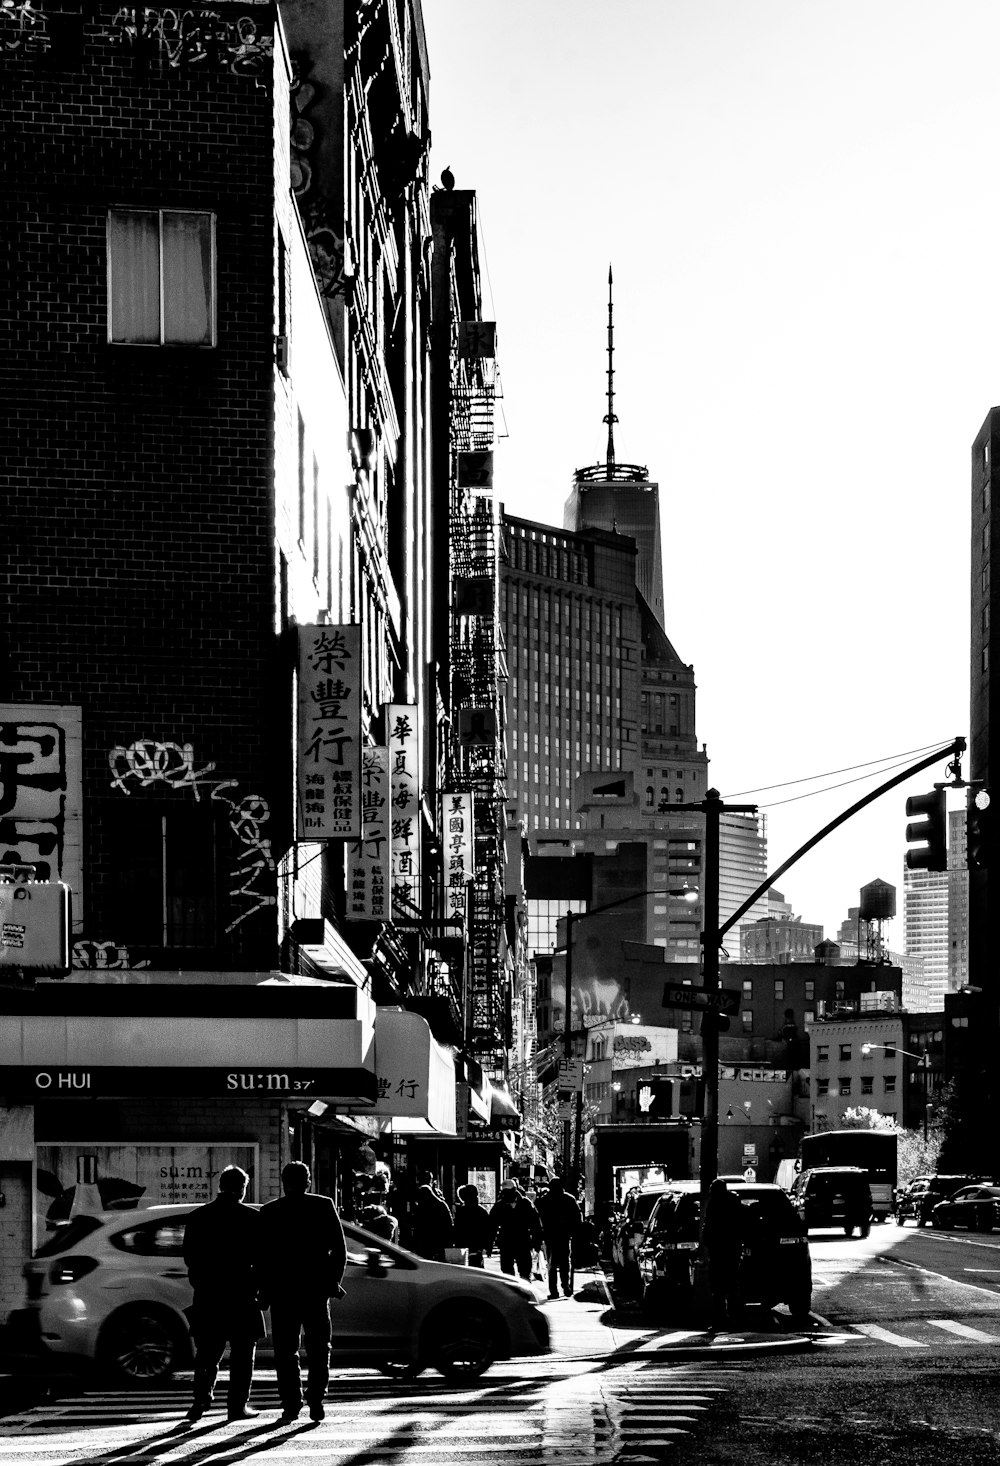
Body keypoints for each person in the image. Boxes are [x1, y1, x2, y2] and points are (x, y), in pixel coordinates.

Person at [259, 1161, 347, 1425]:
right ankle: (316, 1401)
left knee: (285, 1351)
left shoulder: (270, 1211)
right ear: (308, 1181)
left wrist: (264, 1290)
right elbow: (339, 1251)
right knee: (320, 1349)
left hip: (282, 1292)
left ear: (283, 1182)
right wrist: (333, 1282)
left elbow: (262, 1258)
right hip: (316, 1291)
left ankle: (290, 1404)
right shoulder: (322, 1205)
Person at [182, 1165, 265, 1424]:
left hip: (209, 1295)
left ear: (220, 1185)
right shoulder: (251, 1218)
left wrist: (202, 1283)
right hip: (241, 1295)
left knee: (207, 1353)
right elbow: (262, 1260)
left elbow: (190, 1258)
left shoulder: (198, 1217)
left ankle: (200, 1400)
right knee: (242, 1356)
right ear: (242, 1188)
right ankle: (236, 1405)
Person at [700, 1178, 747, 1330]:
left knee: (718, 1288)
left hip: (718, 1250)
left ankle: (720, 1319)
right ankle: (736, 1318)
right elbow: (741, 1224)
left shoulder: (713, 1204)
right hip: (731, 1249)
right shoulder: (734, 1201)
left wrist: (707, 1243)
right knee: (732, 1285)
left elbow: (708, 1228)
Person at [536, 1176, 582, 1299]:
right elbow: (577, 1219)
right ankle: (565, 1286)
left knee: (552, 1264)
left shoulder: (545, 1200)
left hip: (551, 1236)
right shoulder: (569, 1199)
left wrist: (540, 1235)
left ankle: (555, 1290)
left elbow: (539, 1219)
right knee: (564, 1263)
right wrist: (575, 1232)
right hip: (563, 1235)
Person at [489, 1179, 542, 1281]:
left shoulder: (525, 1203)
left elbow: (535, 1224)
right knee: (507, 1272)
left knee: (525, 1271)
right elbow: (492, 1226)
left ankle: (525, 1291)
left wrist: (537, 1242)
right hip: (506, 1243)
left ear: (515, 1190)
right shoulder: (499, 1205)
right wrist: (489, 1244)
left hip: (523, 1242)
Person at [409, 1171, 454, 1260]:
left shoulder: (421, 1208)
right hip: (439, 1242)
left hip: (425, 1243)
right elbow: (449, 1223)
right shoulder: (441, 1204)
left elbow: (417, 1225)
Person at [452, 1183, 493, 1267]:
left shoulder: (461, 1212)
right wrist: (488, 1247)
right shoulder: (482, 1211)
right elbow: (488, 1231)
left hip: (463, 1247)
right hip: (477, 1247)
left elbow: (457, 1230)